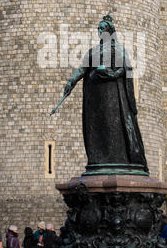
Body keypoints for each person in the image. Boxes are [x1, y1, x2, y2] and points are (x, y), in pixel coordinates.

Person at [59, 15, 149, 175]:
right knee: (97, 126)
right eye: (98, 29)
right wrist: (71, 81)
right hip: (95, 96)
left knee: (112, 125)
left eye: (102, 29)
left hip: (112, 94)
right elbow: (82, 69)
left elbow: (126, 69)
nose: (99, 31)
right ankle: (99, 159)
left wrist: (112, 74)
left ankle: (117, 159)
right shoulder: (93, 51)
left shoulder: (118, 49)